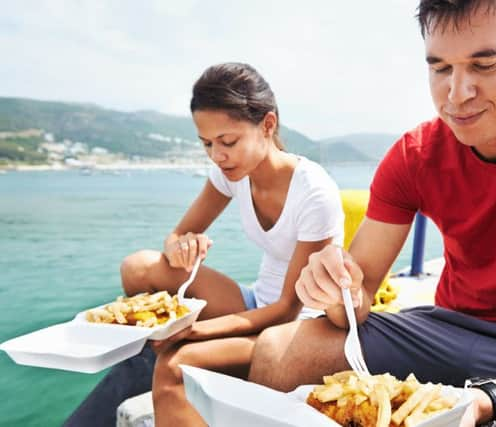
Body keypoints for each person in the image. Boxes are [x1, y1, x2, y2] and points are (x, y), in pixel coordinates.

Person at [248, 1, 496, 427]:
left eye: (484, 64)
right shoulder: (414, 156)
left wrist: (491, 399)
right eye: (439, 68)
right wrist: (334, 290)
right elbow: (354, 305)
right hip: (447, 330)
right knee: (277, 352)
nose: (456, 95)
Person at [64, 62, 344, 427]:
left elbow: (288, 309)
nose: (217, 155)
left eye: (227, 142)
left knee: (172, 365)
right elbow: (175, 236)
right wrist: (181, 247)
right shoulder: (230, 173)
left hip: (296, 327)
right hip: (255, 303)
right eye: (207, 144)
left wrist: (194, 331)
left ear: (268, 125)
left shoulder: (314, 193)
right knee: (137, 268)